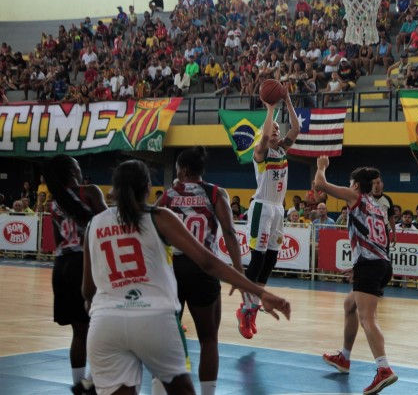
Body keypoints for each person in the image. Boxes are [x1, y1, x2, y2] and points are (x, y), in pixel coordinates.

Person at [82, 160, 291, 395]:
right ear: (148, 187)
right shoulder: (158, 217)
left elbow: (88, 291)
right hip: (153, 319)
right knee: (193, 365)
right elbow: (207, 261)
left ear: (114, 189)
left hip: (106, 323)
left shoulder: (94, 224)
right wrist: (258, 291)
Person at [156, 147, 244, 395]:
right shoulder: (216, 193)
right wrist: (238, 271)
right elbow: (229, 232)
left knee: (166, 337)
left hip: (172, 269)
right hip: (203, 267)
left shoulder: (169, 195)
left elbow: (150, 227)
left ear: (182, 170)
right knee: (208, 340)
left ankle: (160, 389)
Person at [314, 156, 398, 395]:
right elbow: (377, 239)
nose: (349, 186)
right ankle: (344, 357)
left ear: (355, 185)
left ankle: (384, 369)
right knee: (350, 304)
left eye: (351, 183)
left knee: (367, 318)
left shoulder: (356, 198)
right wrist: (361, 264)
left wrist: (321, 167)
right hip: (379, 263)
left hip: (371, 265)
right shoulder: (378, 207)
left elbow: (320, 185)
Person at [236, 90, 300, 339]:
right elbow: (263, 136)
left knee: (272, 260)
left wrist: (288, 101)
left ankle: (252, 306)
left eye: (276, 128)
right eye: (271, 128)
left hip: (278, 208)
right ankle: (245, 308)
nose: (275, 130)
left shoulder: (283, 149)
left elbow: (295, 128)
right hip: (262, 207)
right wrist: (270, 108)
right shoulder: (260, 151)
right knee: (258, 259)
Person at [42, 155, 107, 395]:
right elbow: (109, 223)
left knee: (79, 333)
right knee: (101, 326)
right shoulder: (89, 192)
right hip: (84, 264)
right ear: (71, 170)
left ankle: (78, 383)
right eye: (78, 167)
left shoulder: (54, 202)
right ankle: (91, 382)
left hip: (61, 266)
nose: (81, 171)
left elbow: (58, 240)